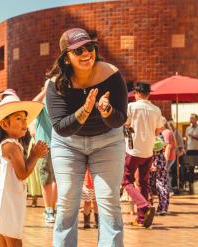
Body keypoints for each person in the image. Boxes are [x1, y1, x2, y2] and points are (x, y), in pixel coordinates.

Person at [45, 28, 127, 246]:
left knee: (109, 200)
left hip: (108, 141)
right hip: (68, 144)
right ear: (66, 57)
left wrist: (107, 111)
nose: (85, 53)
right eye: (78, 50)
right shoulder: (55, 83)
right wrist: (85, 110)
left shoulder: (111, 74)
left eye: (89, 47)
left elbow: (120, 119)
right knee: (67, 200)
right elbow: (61, 127)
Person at [0, 93, 48, 246]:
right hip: (8, 201)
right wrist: (34, 155)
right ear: (5, 124)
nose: (24, 122)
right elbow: (22, 173)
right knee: (14, 241)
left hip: (1, 200)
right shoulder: (12, 145)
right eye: (18, 119)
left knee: (3, 240)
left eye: (25, 119)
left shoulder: (4, 144)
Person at [122, 82, 163, 228]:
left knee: (126, 180)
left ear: (136, 93)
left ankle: (144, 206)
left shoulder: (131, 107)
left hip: (133, 150)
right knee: (144, 183)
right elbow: (159, 130)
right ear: (149, 94)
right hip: (148, 151)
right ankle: (141, 219)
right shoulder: (156, 109)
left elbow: (125, 124)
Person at [29, 80, 57, 223]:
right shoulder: (47, 102)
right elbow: (32, 106)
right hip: (49, 144)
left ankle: (50, 210)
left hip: (48, 144)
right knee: (52, 179)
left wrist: (46, 90)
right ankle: (51, 209)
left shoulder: (47, 101)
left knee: (49, 179)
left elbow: (32, 105)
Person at [149, 135, 169, 216]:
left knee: (162, 191)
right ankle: (151, 207)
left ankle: (163, 208)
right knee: (151, 190)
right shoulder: (152, 155)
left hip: (161, 177)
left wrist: (156, 168)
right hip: (153, 177)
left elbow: (162, 166)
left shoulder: (161, 156)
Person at [161, 118, 176, 195]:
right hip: (169, 156)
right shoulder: (165, 132)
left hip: (168, 156)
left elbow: (168, 146)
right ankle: (168, 190)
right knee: (166, 172)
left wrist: (165, 159)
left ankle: (169, 190)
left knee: (165, 172)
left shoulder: (166, 132)